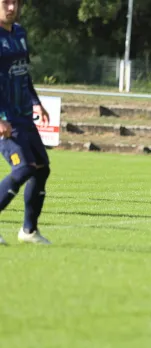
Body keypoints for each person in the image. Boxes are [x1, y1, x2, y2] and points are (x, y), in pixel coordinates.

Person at [0, 0, 52, 245]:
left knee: (41, 167)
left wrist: (36, 102)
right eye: (5, 3)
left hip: (23, 116)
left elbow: (23, 73)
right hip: (5, 118)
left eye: (15, 2)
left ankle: (28, 231)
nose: (11, 7)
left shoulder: (19, 33)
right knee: (23, 168)